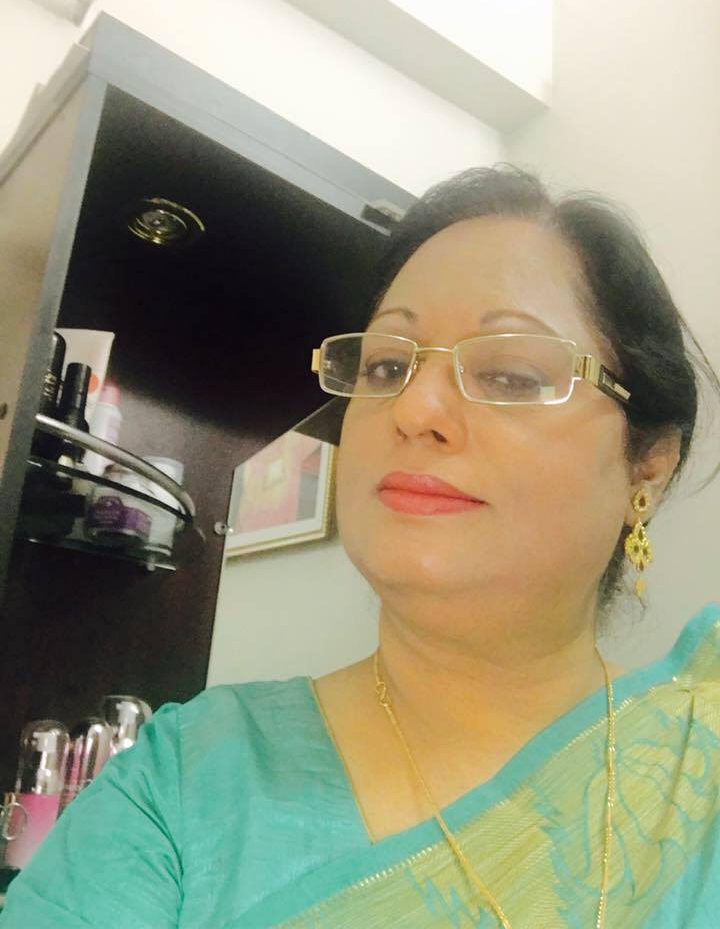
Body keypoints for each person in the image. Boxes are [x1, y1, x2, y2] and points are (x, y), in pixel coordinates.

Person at [2, 164, 719, 929]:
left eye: (510, 373)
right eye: (386, 366)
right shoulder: (185, 782)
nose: (414, 407)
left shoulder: (697, 765)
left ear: (648, 464)